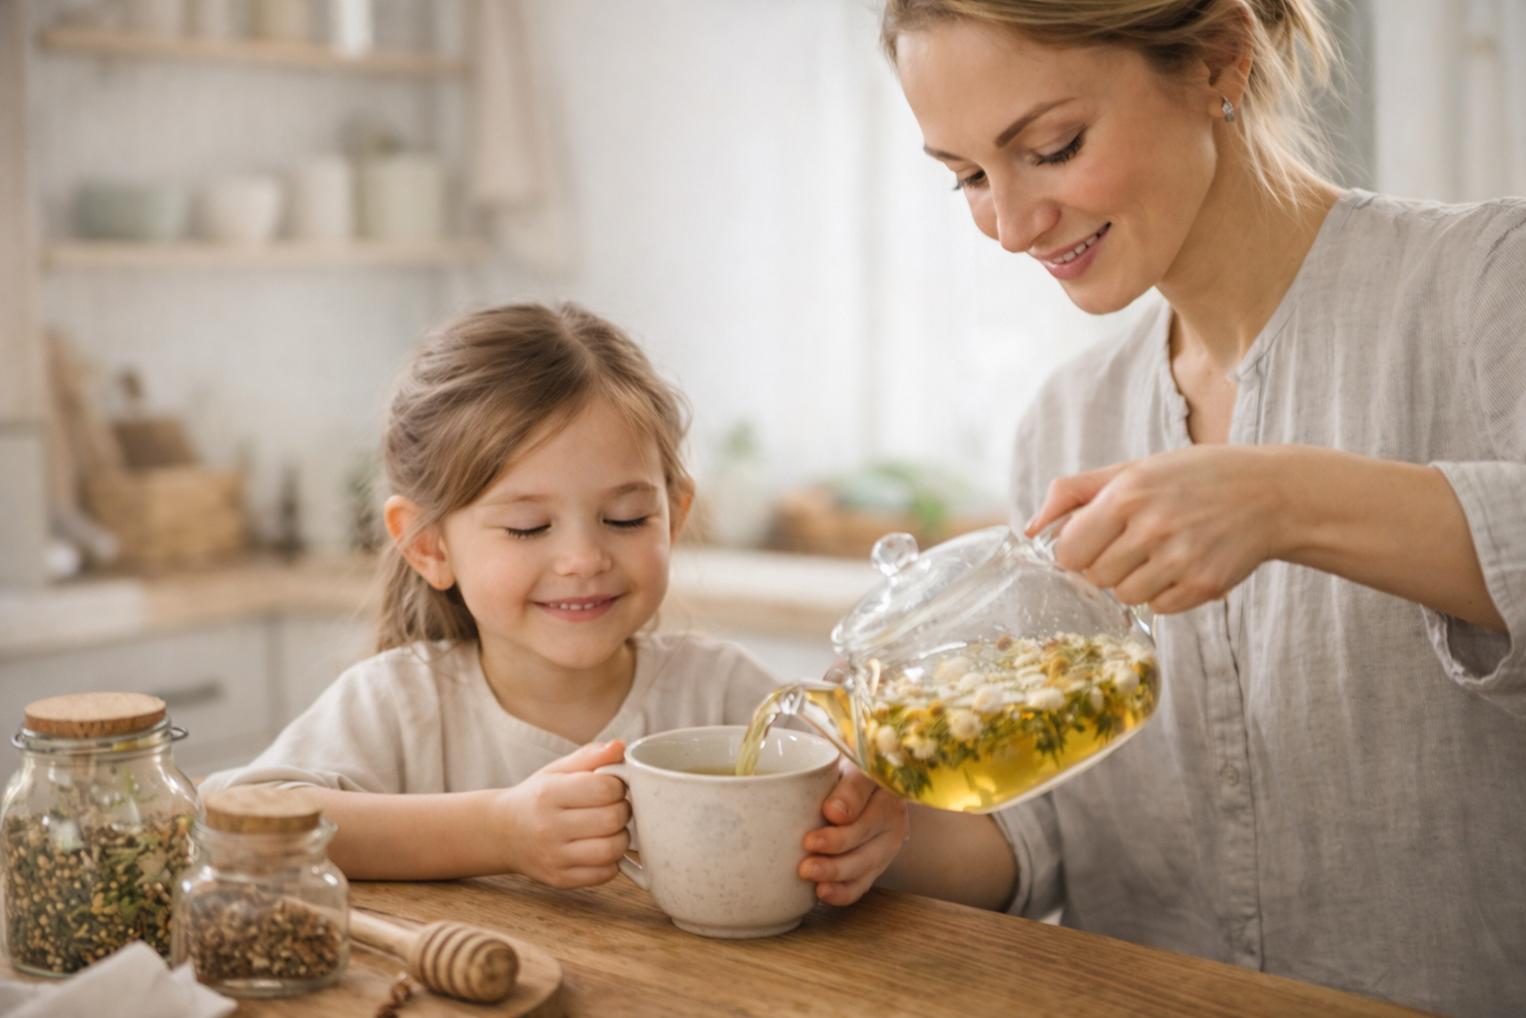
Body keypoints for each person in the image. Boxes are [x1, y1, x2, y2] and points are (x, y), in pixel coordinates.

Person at [808, 2, 1525, 1015]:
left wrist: (1283, 498)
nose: (1009, 226)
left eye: (1049, 148)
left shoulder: (1485, 286)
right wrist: (879, 832)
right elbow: (1059, 833)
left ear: (1217, 63)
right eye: (967, 175)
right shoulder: (1065, 422)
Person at [203, 302, 908, 901]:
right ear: (429, 547)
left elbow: (904, 820)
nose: (582, 559)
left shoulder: (721, 693)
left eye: (627, 518)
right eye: (527, 527)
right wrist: (500, 832)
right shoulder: (404, 705)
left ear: (675, 512)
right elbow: (235, 823)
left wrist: (876, 822)